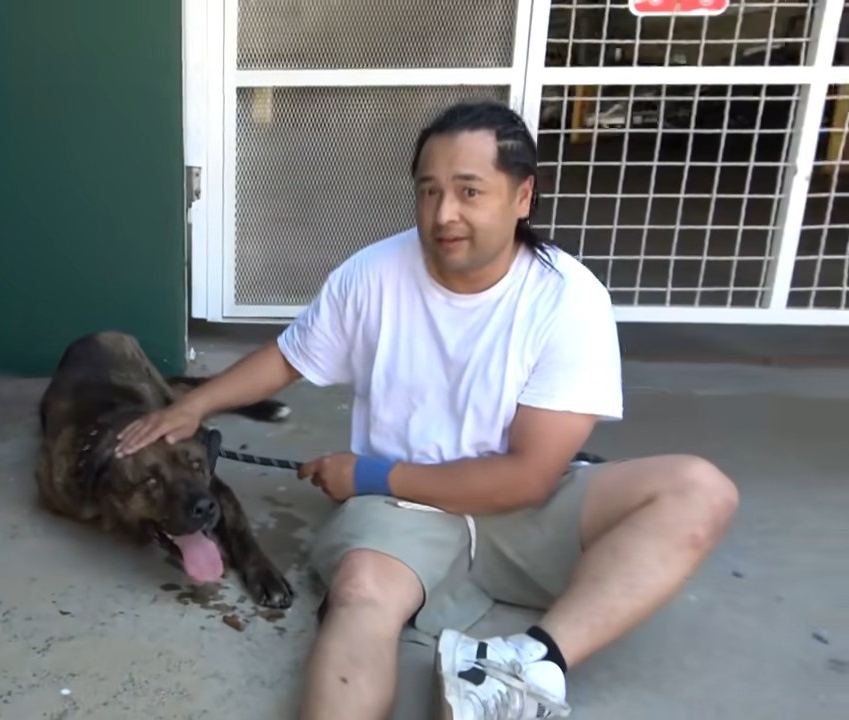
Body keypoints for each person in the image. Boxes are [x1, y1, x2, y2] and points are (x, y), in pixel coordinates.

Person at [114, 99, 739, 720]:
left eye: (470, 191)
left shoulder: (569, 299)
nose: (444, 215)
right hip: (402, 516)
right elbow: (289, 356)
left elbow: (528, 478)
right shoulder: (373, 274)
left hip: (520, 508)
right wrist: (193, 405)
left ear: (522, 197)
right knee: (360, 595)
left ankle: (530, 663)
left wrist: (365, 475)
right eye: (429, 191)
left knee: (698, 489)